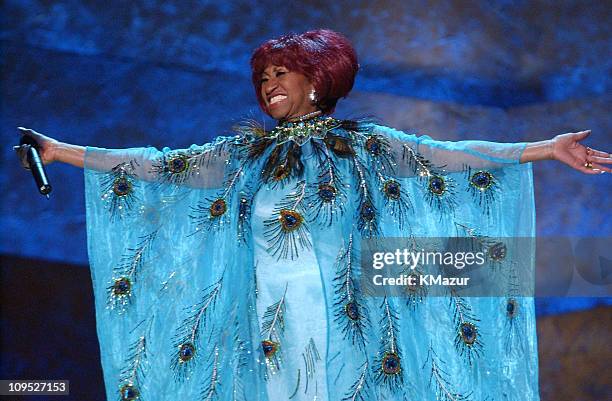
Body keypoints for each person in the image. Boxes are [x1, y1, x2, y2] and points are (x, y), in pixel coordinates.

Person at [17, 29, 610, 401]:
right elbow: (157, 166)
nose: (269, 84)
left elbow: (451, 156)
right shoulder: (243, 156)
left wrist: (543, 148)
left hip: (351, 320)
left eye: (281, 73)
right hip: (265, 320)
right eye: (262, 77)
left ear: (317, 80)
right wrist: (59, 151)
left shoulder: (367, 146)